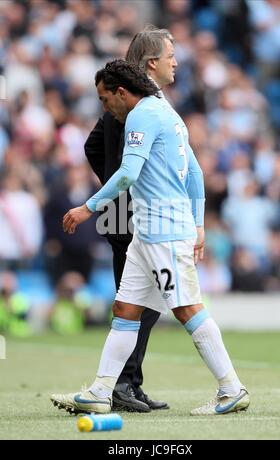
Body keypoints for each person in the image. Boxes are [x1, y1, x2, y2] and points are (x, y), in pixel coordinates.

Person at [51, 60, 250, 416]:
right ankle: (101, 390)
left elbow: (128, 173)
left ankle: (231, 388)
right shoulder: (169, 114)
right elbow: (196, 171)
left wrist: (88, 207)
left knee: (187, 308)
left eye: (104, 99)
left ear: (121, 92)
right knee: (125, 310)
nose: (105, 107)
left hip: (164, 232)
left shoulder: (142, 115)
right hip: (148, 234)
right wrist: (199, 223)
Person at [83, 26, 177, 412]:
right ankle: (122, 382)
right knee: (141, 301)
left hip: (124, 213)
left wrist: (110, 188)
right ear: (152, 62)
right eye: (171, 54)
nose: (176, 61)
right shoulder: (131, 105)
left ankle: (129, 382)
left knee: (144, 299)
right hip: (130, 216)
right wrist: (118, 190)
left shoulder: (138, 101)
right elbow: (106, 153)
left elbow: (91, 146)